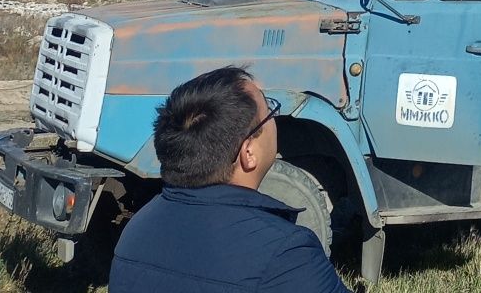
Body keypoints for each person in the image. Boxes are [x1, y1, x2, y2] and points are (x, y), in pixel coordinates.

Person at [110, 65, 350, 292]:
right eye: (271, 112)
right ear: (249, 153)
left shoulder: (137, 229)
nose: (276, 120)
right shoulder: (285, 253)